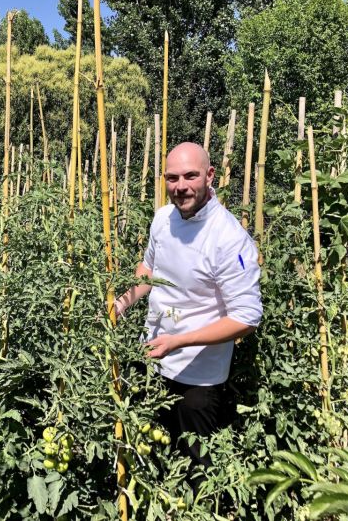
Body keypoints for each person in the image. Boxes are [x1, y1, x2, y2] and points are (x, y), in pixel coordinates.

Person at [113, 141, 262, 489]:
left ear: (210, 176)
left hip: (199, 377)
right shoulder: (163, 219)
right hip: (152, 359)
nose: (180, 186)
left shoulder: (230, 239)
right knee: (148, 455)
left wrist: (179, 341)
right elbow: (149, 270)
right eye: (172, 178)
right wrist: (122, 303)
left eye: (190, 176)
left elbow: (247, 318)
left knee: (196, 470)